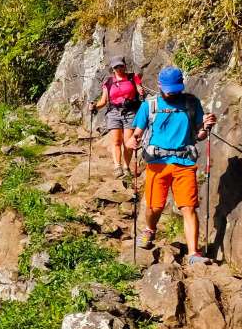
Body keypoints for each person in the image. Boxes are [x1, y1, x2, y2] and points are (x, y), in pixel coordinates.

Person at [126, 67, 216, 264]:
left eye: (174, 88)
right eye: (167, 89)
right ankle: (150, 229)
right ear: (159, 85)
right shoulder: (149, 105)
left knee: (189, 207)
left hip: (185, 163)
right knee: (154, 207)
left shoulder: (191, 103)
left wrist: (207, 126)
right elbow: (137, 132)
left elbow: (199, 134)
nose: (171, 92)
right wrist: (132, 140)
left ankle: (194, 254)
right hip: (157, 164)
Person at [91, 55, 142, 178]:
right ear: (112, 68)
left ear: (124, 66)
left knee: (128, 142)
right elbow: (103, 101)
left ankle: (126, 167)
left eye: (120, 66)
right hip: (114, 113)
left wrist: (140, 90)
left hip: (130, 112)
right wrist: (94, 107)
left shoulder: (132, 78)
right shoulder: (108, 82)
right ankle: (117, 167)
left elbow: (140, 90)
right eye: (116, 67)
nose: (119, 68)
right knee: (116, 141)